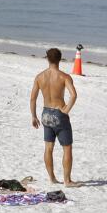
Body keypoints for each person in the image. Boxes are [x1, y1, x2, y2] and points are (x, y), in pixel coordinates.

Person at [30, 48, 79, 187]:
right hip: (59, 113)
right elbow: (74, 95)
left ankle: (52, 178)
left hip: (45, 114)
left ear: (47, 58)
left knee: (48, 148)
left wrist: (33, 116)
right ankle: (67, 181)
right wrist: (66, 110)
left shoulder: (40, 77)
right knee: (67, 148)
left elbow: (33, 98)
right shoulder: (64, 77)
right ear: (60, 59)